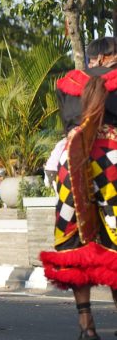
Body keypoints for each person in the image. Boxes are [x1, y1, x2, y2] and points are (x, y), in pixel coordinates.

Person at [40, 36, 117, 339]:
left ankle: (86, 323)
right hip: (112, 157)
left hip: (72, 160)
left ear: (95, 58)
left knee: (74, 235)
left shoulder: (68, 81)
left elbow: (68, 126)